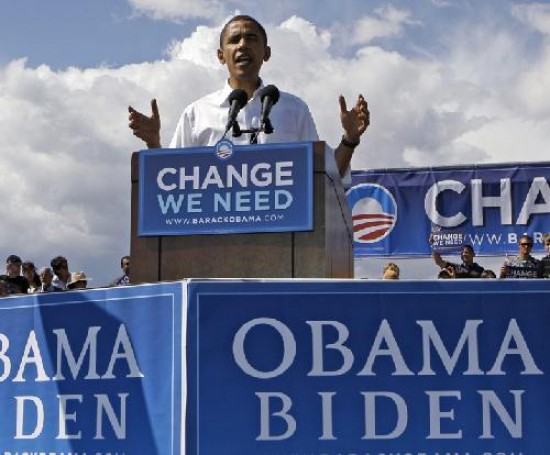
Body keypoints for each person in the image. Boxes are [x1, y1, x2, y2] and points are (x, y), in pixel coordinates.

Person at [128, 15, 370, 180]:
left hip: (283, 240)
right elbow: (171, 178)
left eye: (251, 38)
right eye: (234, 40)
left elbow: (327, 175)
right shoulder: (197, 113)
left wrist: (350, 139)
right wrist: (153, 143)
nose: (243, 45)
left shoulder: (293, 109)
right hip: (211, 240)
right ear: (221, 56)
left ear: (266, 53)